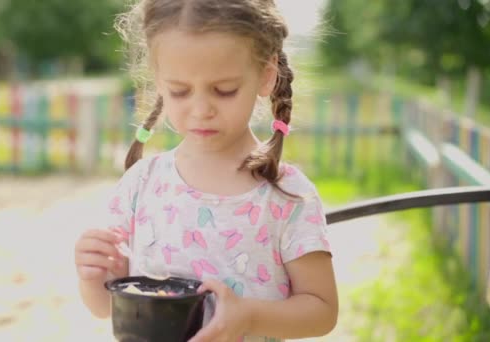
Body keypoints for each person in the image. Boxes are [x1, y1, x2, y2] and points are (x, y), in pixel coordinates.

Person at [74, 1, 338, 340]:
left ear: (266, 75)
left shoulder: (287, 194)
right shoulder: (142, 184)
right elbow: (106, 307)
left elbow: (322, 310)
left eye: (224, 90)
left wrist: (249, 317)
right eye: (180, 91)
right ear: (159, 82)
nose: (201, 109)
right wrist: (92, 275)